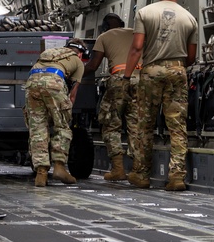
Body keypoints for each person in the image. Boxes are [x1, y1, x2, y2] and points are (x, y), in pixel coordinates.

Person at [123, 0, 198, 191]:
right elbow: (191, 57)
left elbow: (137, 48)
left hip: (151, 71)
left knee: (144, 124)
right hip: (177, 71)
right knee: (177, 126)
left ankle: (142, 174)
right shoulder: (189, 18)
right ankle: (176, 176)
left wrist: (127, 77)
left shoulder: (145, 13)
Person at [23, 39, 88, 187]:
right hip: (54, 83)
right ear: (81, 53)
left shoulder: (49, 53)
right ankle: (59, 167)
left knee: (38, 129)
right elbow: (72, 94)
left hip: (32, 83)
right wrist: (65, 112)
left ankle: (41, 173)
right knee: (62, 127)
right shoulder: (77, 61)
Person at [83, 13, 139, 181]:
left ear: (105, 27)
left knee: (110, 124)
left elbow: (93, 66)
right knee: (136, 125)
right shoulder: (135, 33)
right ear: (122, 23)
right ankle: (138, 170)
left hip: (119, 80)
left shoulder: (104, 37)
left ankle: (118, 169)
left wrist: (74, 73)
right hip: (141, 80)